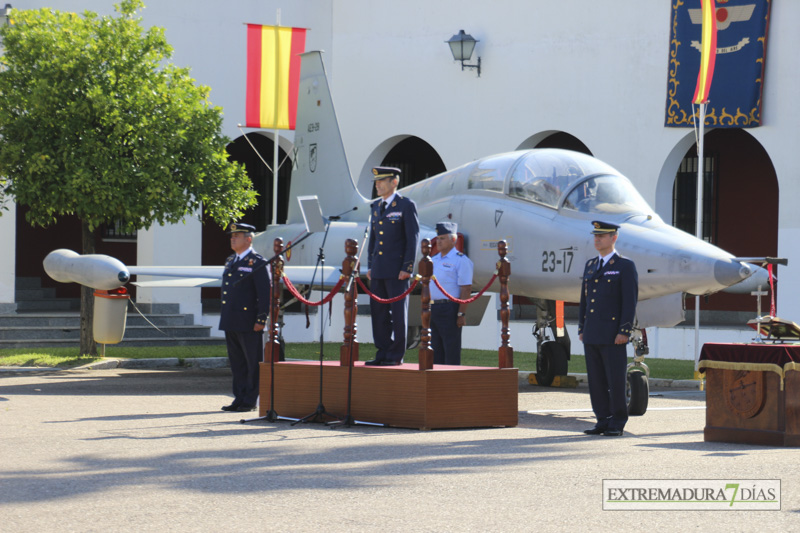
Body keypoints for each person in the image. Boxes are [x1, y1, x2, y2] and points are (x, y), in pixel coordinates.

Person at [578, 220, 638, 436]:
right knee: (596, 380)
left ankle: (617, 421)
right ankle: (602, 419)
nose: (597, 239)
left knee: (615, 379)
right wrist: (581, 328)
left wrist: (624, 331)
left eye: (601, 236)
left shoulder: (624, 265)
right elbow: (585, 300)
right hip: (592, 333)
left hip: (613, 334)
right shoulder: (591, 265)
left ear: (614, 238)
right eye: (595, 236)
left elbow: (629, 302)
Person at [365, 166, 420, 366]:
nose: (377, 185)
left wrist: (407, 267)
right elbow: (373, 240)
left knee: (398, 314)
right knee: (378, 314)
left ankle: (396, 355)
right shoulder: (376, 206)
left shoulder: (405, 205)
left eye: (382, 181)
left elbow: (412, 238)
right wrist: (370, 266)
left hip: (398, 271)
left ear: (394, 182)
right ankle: (382, 352)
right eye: (376, 182)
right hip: (379, 270)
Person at [219, 223, 271, 412]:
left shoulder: (257, 262)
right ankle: (239, 397)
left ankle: (250, 400)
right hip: (231, 319)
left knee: (252, 363)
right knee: (237, 363)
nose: (233, 238)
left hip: (249, 321)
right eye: (232, 236)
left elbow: (264, 294)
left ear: (249, 239)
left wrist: (261, 319)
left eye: (237, 236)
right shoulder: (230, 260)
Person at [429, 221, 473, 365]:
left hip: (450, 307)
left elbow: (466, 289)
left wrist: (461, 314)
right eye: (438, 238)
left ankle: (451, 382)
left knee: (451, 349)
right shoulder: (433, 260)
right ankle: (437, 382)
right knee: (435, 349)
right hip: (433, 307)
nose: (438, 241)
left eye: (442, 238)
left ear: (453, 240)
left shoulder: (460, 260)